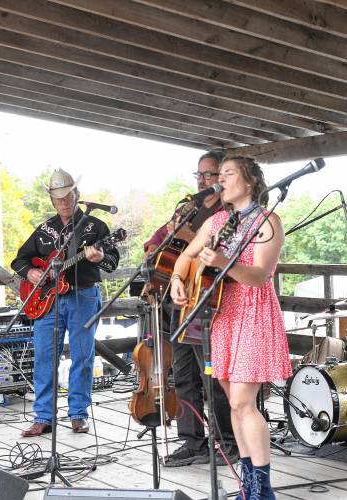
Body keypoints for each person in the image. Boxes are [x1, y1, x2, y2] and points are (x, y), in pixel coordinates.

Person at [170, 156, 291, 499]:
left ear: (250, 181)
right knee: (233, 402)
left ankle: (263, 489)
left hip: (253, 311)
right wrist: (179, 278)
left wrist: (224, 262)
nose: (220, 180)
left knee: (241, 401)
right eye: (218, 175)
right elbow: (184, 257)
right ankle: (248, 484)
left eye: (228, 174)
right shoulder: (216, 221)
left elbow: (259, 276)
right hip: (222, 314)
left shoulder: (269, 221)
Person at [143, 151, 237, 467]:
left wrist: (189, 239)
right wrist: (159, 251)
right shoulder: (189, 208)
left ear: (222, 180)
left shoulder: (228, 213)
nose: (202, 180)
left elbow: (226, 259)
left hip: (209, 304)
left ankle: (227, 442)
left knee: (211, 375)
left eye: (209, 175)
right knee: (182, 374)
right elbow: (156, 242)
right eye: (198, 174)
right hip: (179, 301)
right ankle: (192, 441)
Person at [12, 169, 119, 437]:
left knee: (83, 357)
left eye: (67, 196)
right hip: (48, 300)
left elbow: (112, 262)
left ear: (77, 195)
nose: (63, 202)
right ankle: (44, 416)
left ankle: (78, 414)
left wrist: (98, 258)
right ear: (51, 200)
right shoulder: (44, 229)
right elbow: (19, 261)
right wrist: (32, 273)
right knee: (45, 357)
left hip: (83, 294)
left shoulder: (96, 227)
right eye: (58, 198)